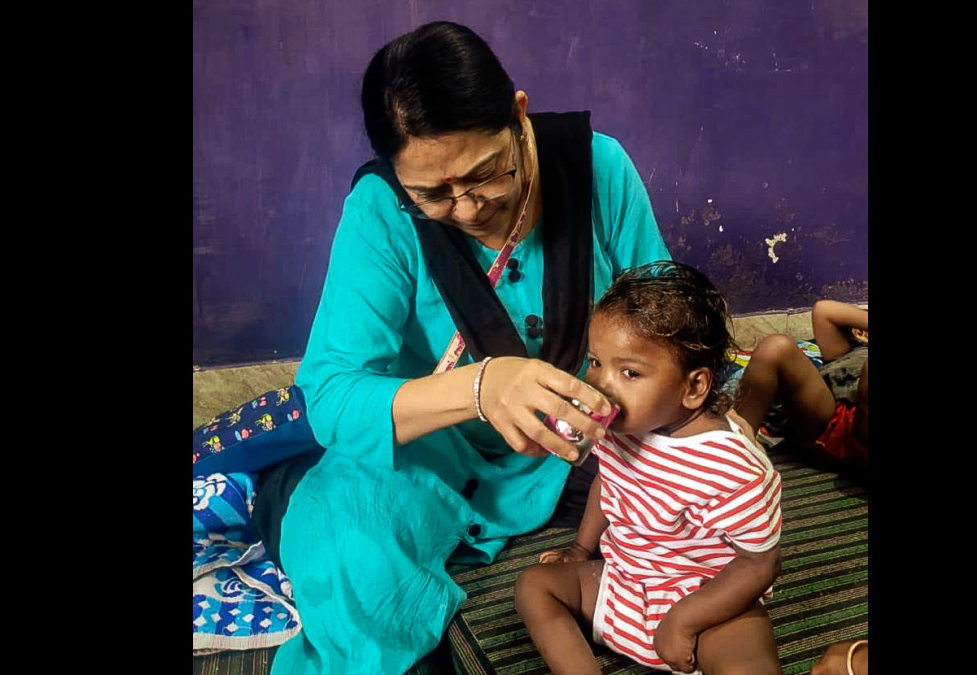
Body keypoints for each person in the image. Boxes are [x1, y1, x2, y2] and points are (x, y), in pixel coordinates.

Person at [198, 20, 674, 675]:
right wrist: (482, 388)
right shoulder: (382, 209)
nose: (469, 207)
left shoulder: (598, 169)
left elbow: (666, 321)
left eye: (485, 175)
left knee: (700, 526)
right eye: (432, 194)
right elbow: (330, 396)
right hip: (433, 453)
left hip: (580, 449)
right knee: (347, 538)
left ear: (518, 115)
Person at [514, 261, 783, 675]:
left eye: (629, 372)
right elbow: (608, 484)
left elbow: (759, 563)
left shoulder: (734, 469)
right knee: (533, 587)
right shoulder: (622, 426)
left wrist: (684, 620)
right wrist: (581, 550)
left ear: (694, 386)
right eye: (596, 362)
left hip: (709, 596)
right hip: (624, 579)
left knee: (748, 664)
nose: (601, 384)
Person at [730, 300, 868, 469]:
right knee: (775, 347)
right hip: (825, 419)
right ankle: (735, 450)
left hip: (861, 434)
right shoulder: (845, 351)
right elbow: (823, 310)